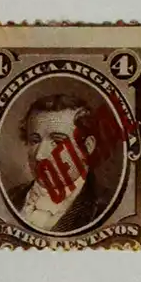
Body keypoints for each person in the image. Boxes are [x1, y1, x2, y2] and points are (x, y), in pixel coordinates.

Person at [16, 93, 116, 235]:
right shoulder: (12, 197)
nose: (40, 155)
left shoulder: (105, 206)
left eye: (57, 142)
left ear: (88, 146)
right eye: (35, 141)